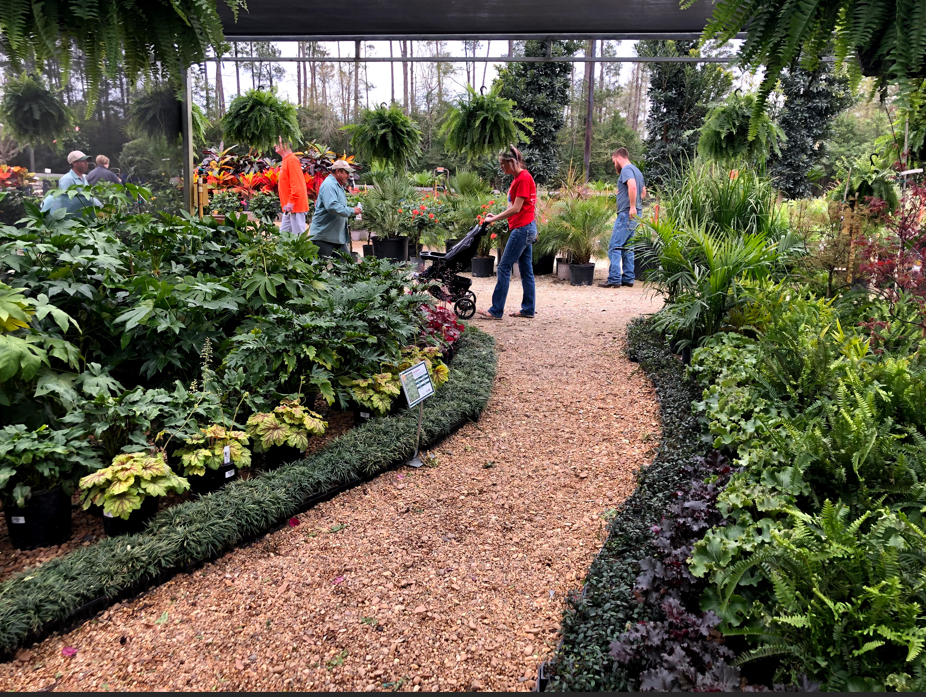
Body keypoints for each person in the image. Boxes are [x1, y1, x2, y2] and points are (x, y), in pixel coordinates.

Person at [477, 145, 537, 320]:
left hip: (522, 229)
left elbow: (517, 209)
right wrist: (495, 216)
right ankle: (528, 309)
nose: (501, 167)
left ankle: (496, 311)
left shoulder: (523, 179)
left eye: (503, 164)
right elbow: (515, 207)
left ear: (512, 162)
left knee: (503, 267)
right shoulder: (518, 178)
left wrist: (493, 219)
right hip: (527, 227)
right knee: (526, 270)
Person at [601, 147, 645, 288]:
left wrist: (631, 206)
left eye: (614, 161)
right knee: (628, 247)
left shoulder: (626, 169)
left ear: (619, 157)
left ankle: (614, 279)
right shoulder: (637, 171)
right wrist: (634, 203)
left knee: (615, 246)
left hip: (627, 213)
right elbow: (643, 192)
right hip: (637, 214)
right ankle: (628, 278)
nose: (615, 164)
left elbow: (633, 187)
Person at [309, 159, 361, 257]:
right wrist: (351, 211)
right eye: (346, 172)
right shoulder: (329, 185)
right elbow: (332, 206)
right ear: (338, 171)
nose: (348, 176)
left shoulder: (337, 185)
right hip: (324, 237)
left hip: (336, 237)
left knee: (345, 265)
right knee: (320, 265)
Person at [40, 150, 101, 217]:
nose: (86, 163)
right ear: (74, 163)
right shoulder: (67, 179)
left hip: (84, 215)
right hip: (74, 216)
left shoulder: (83, 178)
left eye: (86, 161)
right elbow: (66, 202)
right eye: (83, 161)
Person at [275, 137, 310, 236]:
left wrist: (291, 201)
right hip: (290, 208)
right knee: (284, 237)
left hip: (295, 207)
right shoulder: (287, 160)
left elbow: (296, 184)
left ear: (285, 144)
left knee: (298, 238)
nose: (275, 145)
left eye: (277, 142)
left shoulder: (291, 160)